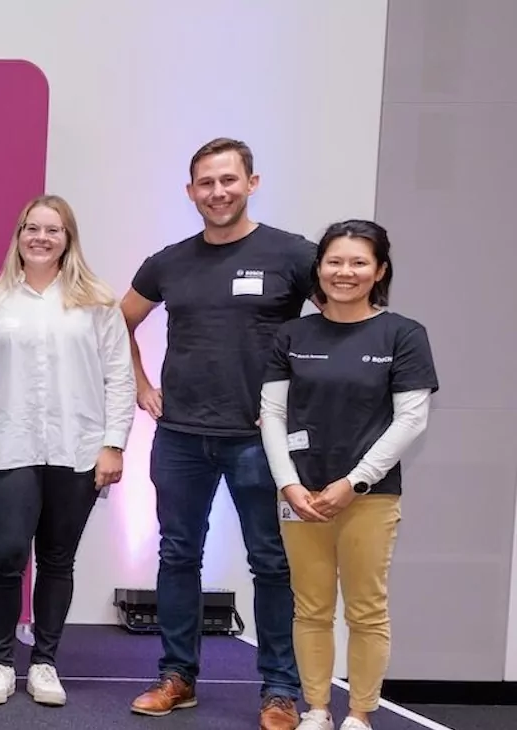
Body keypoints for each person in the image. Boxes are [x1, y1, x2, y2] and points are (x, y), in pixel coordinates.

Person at [123, 137, 311, 728]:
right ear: (190, 192)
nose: (218, 192)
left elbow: (340, 325)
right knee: (178, 555)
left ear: (252, 183)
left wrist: (295, 403)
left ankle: (280, 689)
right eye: (206, 183)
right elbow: (117, 323)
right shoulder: (169, 262)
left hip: (259, 440)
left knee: (272, 564)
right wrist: (140, 384)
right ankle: (177, 676)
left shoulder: (294, 255)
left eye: (228, 180)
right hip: (179, 436)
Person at [0, 195, 132, 706]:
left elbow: (119, 378)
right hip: (8, 449)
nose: (42, 238)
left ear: (68, 238)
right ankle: (0, 662)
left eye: (54, 230)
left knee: (57, 559)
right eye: (33, 228)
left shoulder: (96, 301)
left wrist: (113, 444)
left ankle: (46, 663)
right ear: (19, 235)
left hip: (78, 451)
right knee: (6, 557)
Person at [260, 220, 436, 730]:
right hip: (300, 495)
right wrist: (289, 484)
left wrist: (355, 481)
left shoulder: (403, 334)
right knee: (310, 608)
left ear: (379, 270)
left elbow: (411, 420)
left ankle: (359, 713)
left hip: (370, 496)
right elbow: (271, 414)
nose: (345, 272)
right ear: (319, 268)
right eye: (334, 261)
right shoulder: (292, 335)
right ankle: (316, 708)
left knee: (366, 610)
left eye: (359, 262)